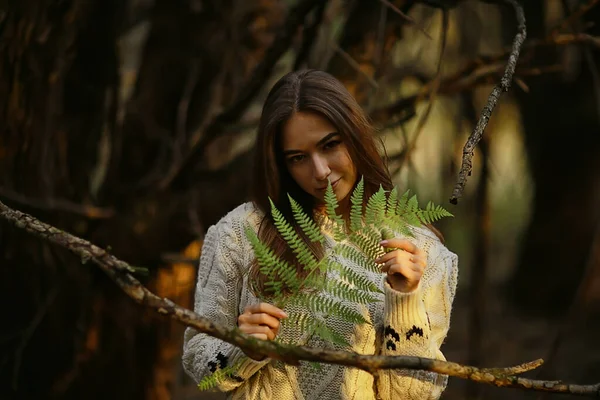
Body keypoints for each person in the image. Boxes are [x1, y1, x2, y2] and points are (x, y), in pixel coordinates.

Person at [182, 69, 458, 399]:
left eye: (330, 145)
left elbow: (412, 396)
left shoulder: (420, 253)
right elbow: (201, 364)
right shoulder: (239, 234)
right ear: (280, 165)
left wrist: (405, 302)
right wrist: (245, 349)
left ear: (355, 136)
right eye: (298, 158)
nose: (320, 171)